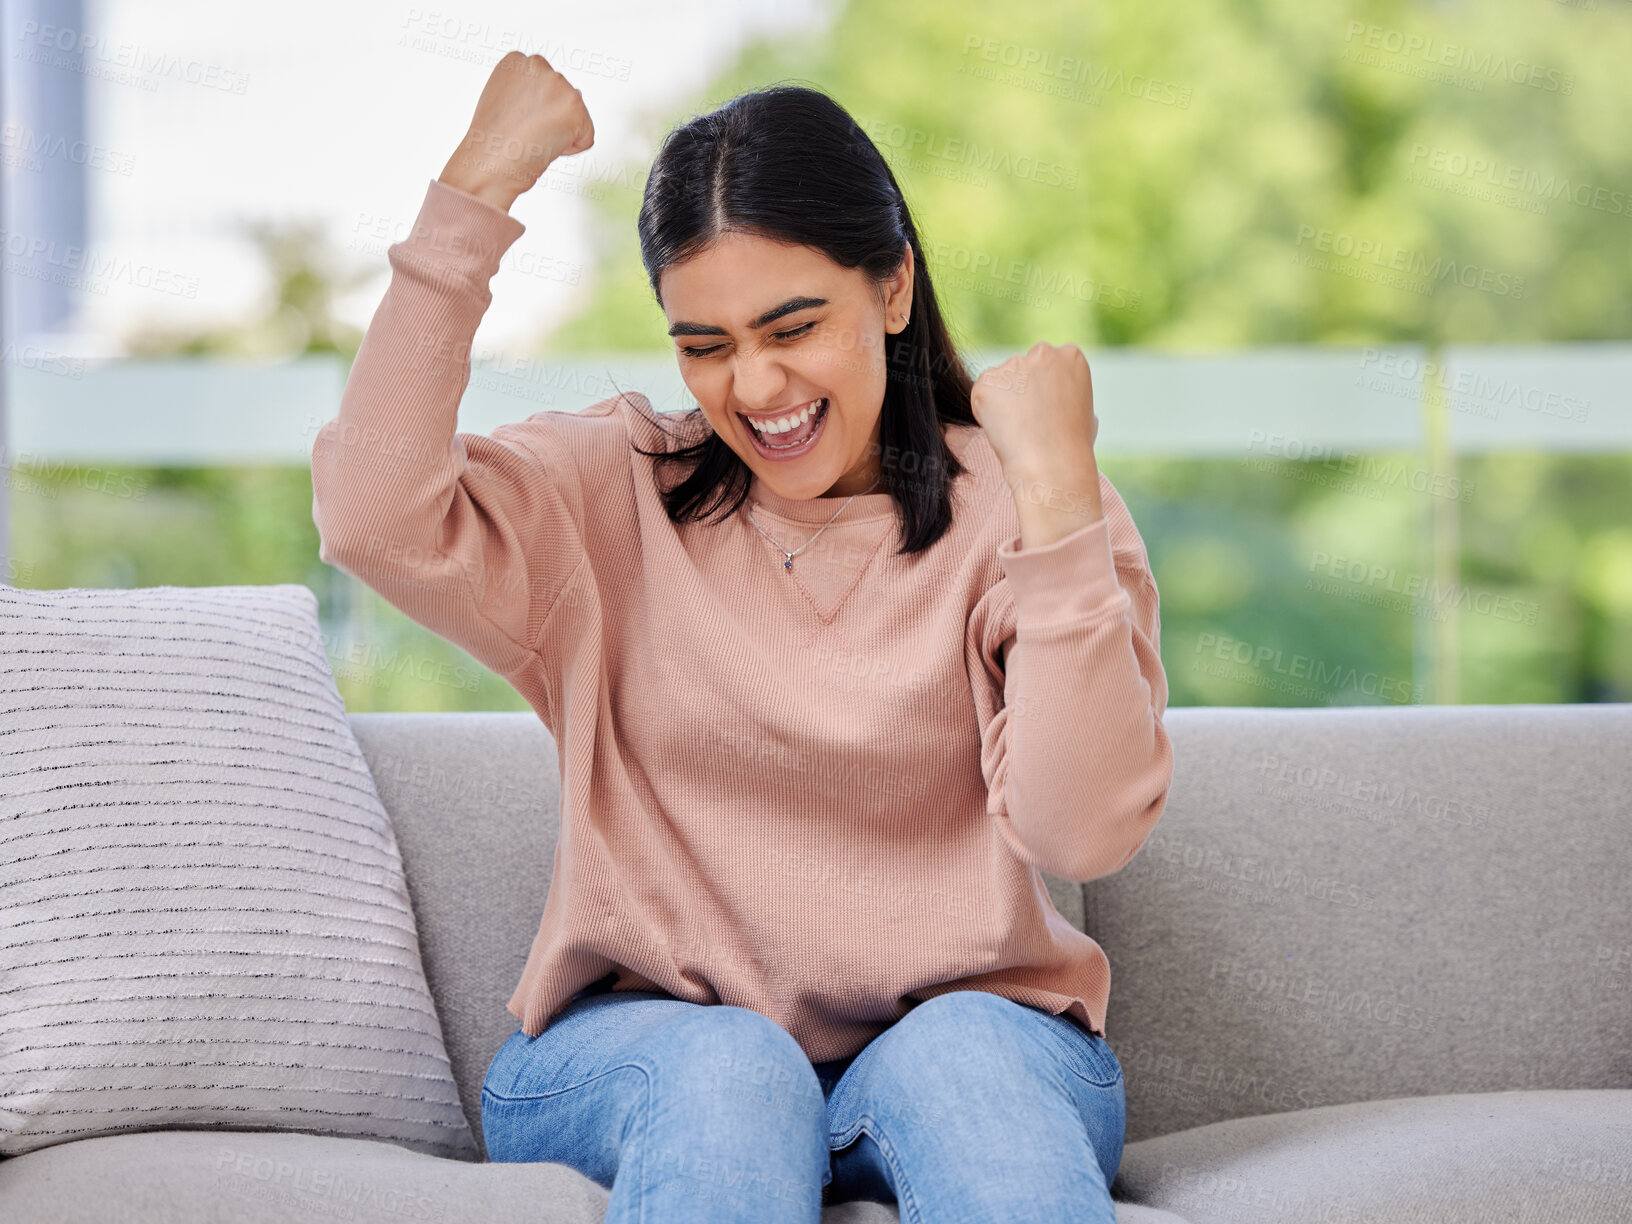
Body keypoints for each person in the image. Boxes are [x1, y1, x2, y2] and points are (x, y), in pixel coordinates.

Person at [311, 49, 1173, 1224]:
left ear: (894, 290)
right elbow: (371, 513)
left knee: (969, 1057)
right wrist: (478, 186)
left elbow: (1084, 827)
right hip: (648, 1049)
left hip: (967, 1044)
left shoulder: (1024, 507)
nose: (755, 385)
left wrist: (1063, 502)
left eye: (792, 325)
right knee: (738, 1067)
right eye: (704, 344)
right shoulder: (613, 496)